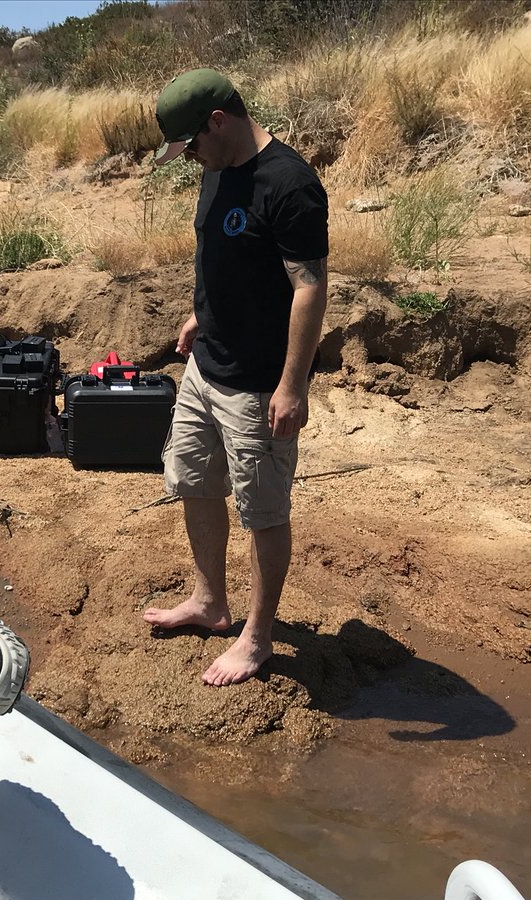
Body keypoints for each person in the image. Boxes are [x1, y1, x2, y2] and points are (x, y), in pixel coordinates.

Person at [142, 69, 329, 686]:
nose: (189, 158)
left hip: (256, 383)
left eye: (191, 144)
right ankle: (209, 602)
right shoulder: (216, 167)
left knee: (262, 510)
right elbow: (227, 256)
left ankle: (257, 638)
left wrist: (292, 385)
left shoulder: (290, 184)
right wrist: (202, 313)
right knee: (193, 478)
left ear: (218, 122)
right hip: (206, 366)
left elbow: (308, 287)